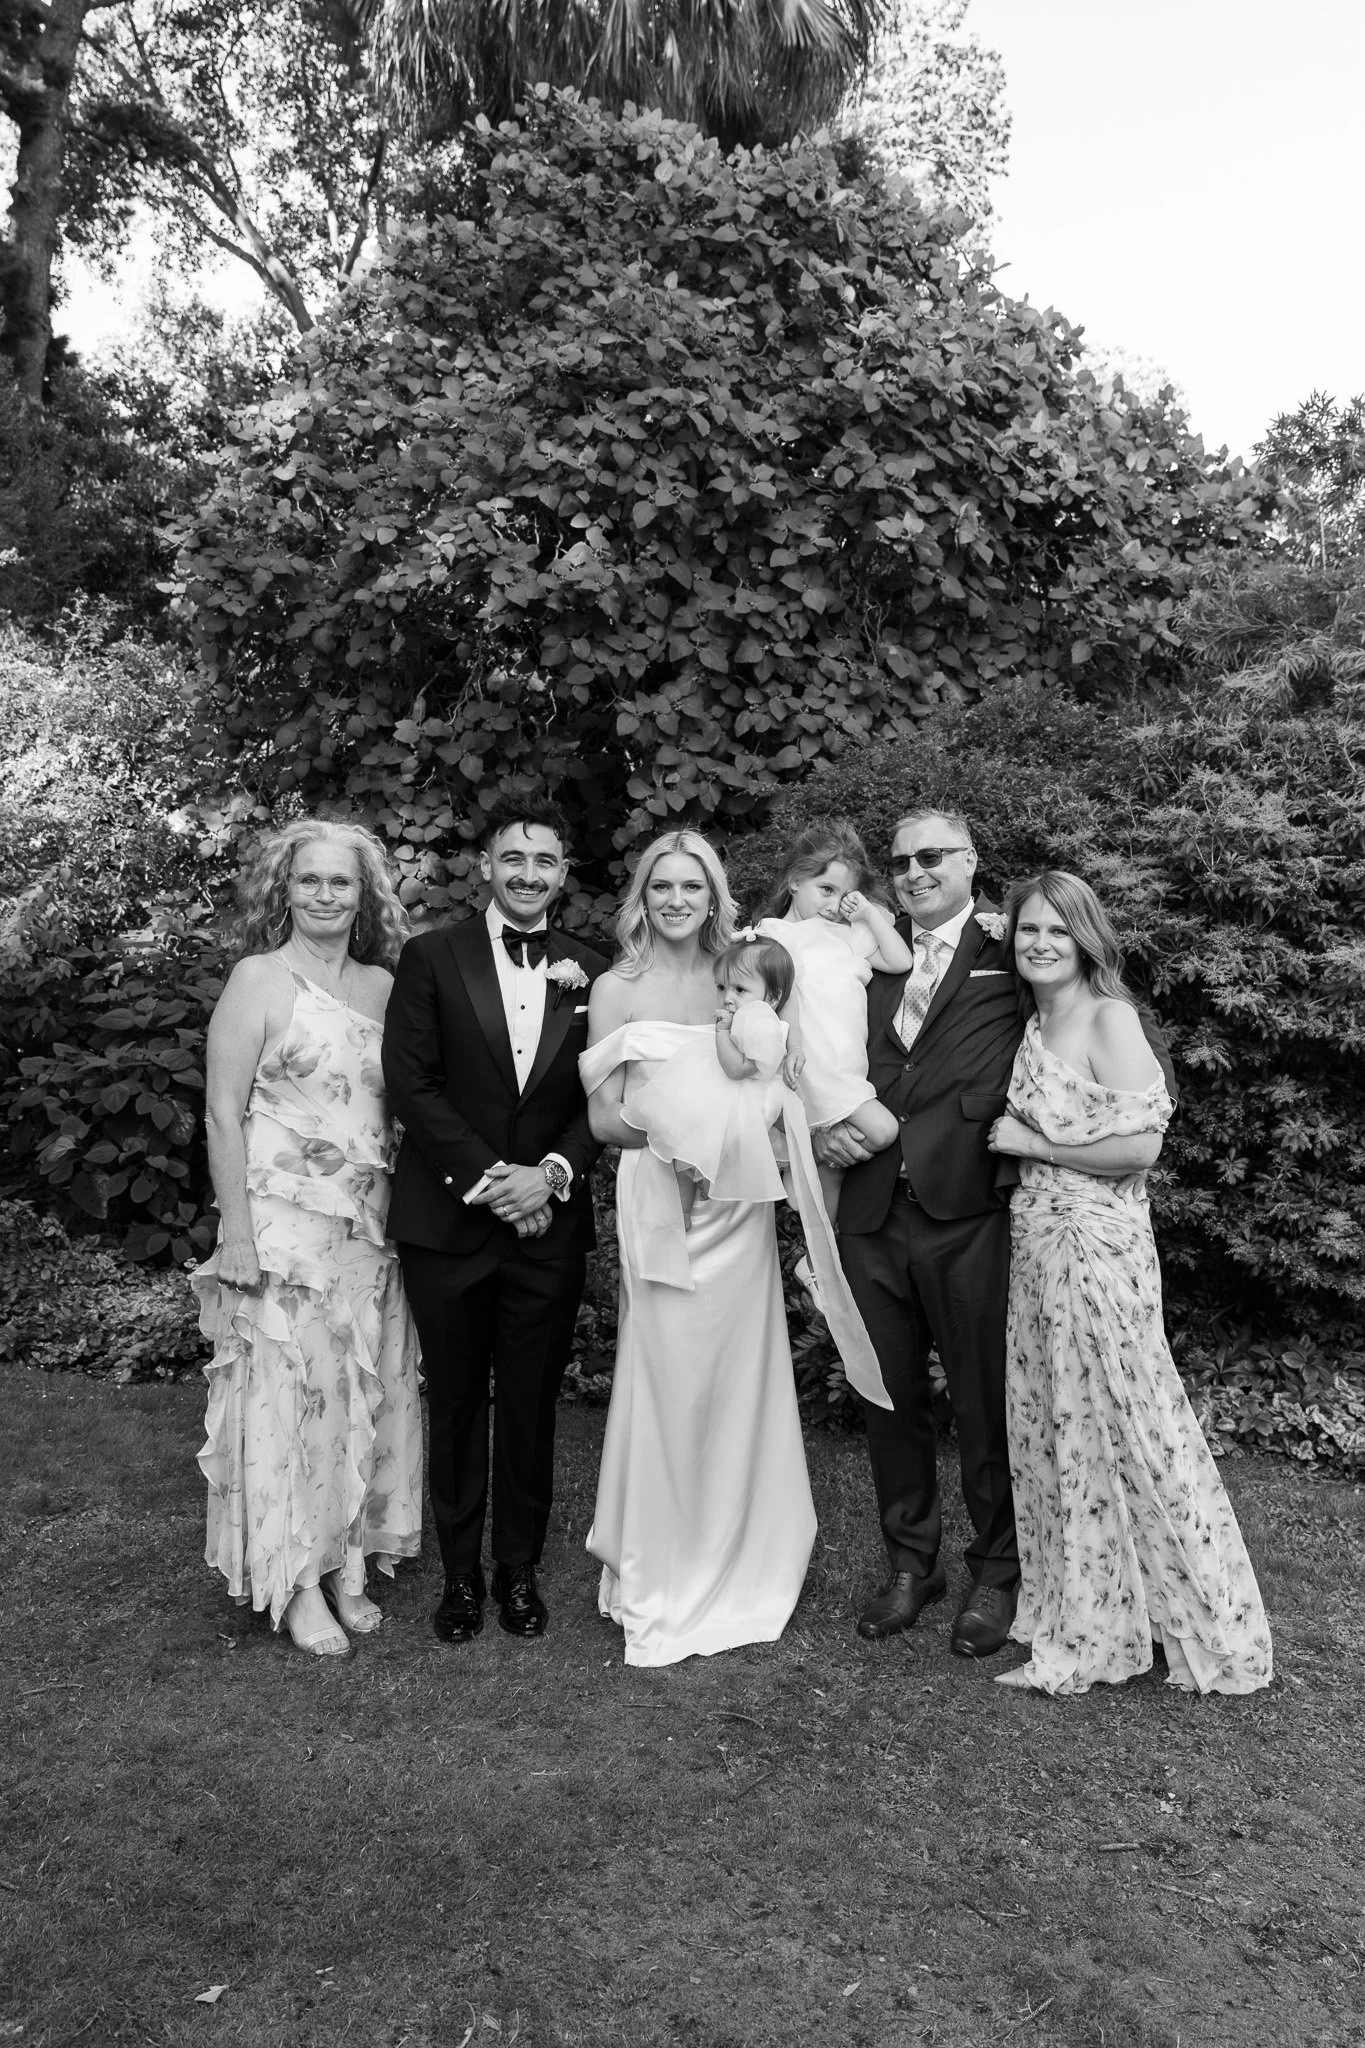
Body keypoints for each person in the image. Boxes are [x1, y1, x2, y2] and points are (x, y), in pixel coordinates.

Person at [816, 807, 1176, 1660]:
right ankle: (911, 1563)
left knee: (986, 1402)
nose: (913, 872)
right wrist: (818, 1123)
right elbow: (808, 1052)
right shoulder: (853, 958)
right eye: (900, 861)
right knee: (887, 1398)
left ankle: (997, 1571)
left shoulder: (1011, 951)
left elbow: (1098, 1036)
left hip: (969, 1210)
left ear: (970, 861)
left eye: (932, 856)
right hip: (867, 1211)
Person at [986, 873, 1272, 1695]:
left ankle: (1198, 1618)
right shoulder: (1036, 1017)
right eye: (1027, 931)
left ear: (1086, 939)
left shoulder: (1107, 1017)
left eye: (1055, 931)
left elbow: (1139, 1151)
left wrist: (1031, 1143)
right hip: (1039, 1241)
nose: (1039, 943)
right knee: (1061, 1429)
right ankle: (1097, 1612)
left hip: (1092, 1245)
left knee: (1123, 1419)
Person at [579, 833, 818, 1667]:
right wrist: (683, 1141)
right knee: (668, 1376)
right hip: (662, 1197)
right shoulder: (617, 988)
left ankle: (746, 1558)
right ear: (640, 896)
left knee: (736, 1377)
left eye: (693, 886)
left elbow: (782, 1077)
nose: (676, 899)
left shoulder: (746, 973)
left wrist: (758, 1137)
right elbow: (606, 1118)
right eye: (661, 886)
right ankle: (663, 1565)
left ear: (716, 896)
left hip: (738, 1207)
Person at [381, 794, 609, 1644]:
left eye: (545, 861)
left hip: (548, 1227)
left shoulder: (593, 969)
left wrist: (548, 1178)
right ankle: (459, 1578)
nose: (527, 874)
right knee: (455, 1407)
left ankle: (517, 1573)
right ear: (486, 866)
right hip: (448, 1222)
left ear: (562, 873)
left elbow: (607, 1097)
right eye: (513, 858)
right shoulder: (430, 957)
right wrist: (491, 1180)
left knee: (529, 1405)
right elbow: (413, 1084)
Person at [196, 820, 423, 1659]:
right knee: (290, 1397)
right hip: (282, 1226)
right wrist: (239, 1237)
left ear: (365, 897)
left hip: (368, 1227)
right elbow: (222, 1114)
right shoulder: (258, 978)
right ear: (282, 891)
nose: (326, 895)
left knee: (358, 1393)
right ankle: (294, 1583)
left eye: (342, 883)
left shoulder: (385, 987)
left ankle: (346, 1561)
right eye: (310, 881)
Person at [755, 823, 913, 1219]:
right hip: (813, 1066)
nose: (833, 904)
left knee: (837, 1173)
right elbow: (768, 1002)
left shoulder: (848, 935)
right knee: (883, 1131)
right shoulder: (772, 936)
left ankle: (820, 1257)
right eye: (825, 889)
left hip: (849, 1064)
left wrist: (866, 915)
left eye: (844, 896)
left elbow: (900, 960)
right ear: (794, 881)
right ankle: (806, 1175)